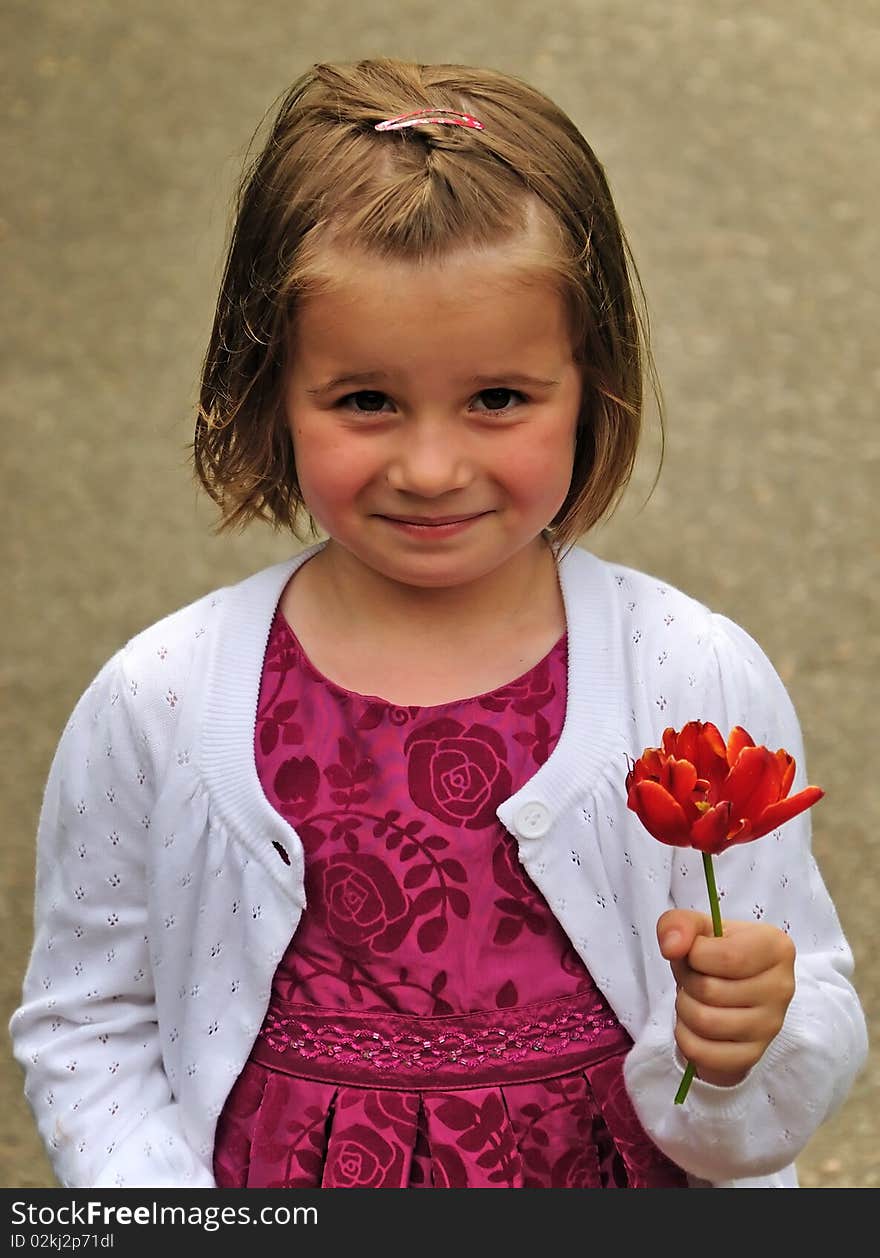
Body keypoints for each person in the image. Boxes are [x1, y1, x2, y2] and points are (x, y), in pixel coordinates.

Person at [10, 57, 866, 1190]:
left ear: (591, 386)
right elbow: (89, 1020)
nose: (429, 465)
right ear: (268, 388)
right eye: (365, 399)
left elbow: (786, 1023)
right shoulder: (158, 696)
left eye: (498, 399)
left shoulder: (691, 677)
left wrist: (752, 1041)